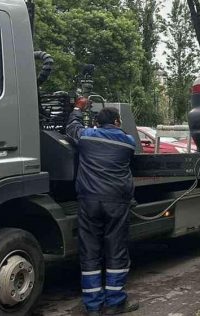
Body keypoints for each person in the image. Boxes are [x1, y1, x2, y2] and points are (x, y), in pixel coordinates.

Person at [66, 102, 139, 315]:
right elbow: (123, 136)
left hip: (89, 201)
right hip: (117, 202)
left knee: (90, 252)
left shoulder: (87, 137)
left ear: (97, 123)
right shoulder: (128, 142)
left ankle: (93, 306)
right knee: (116, 251)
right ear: (117, 122)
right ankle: (115, 302)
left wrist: (77, 109)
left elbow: (72, 128)